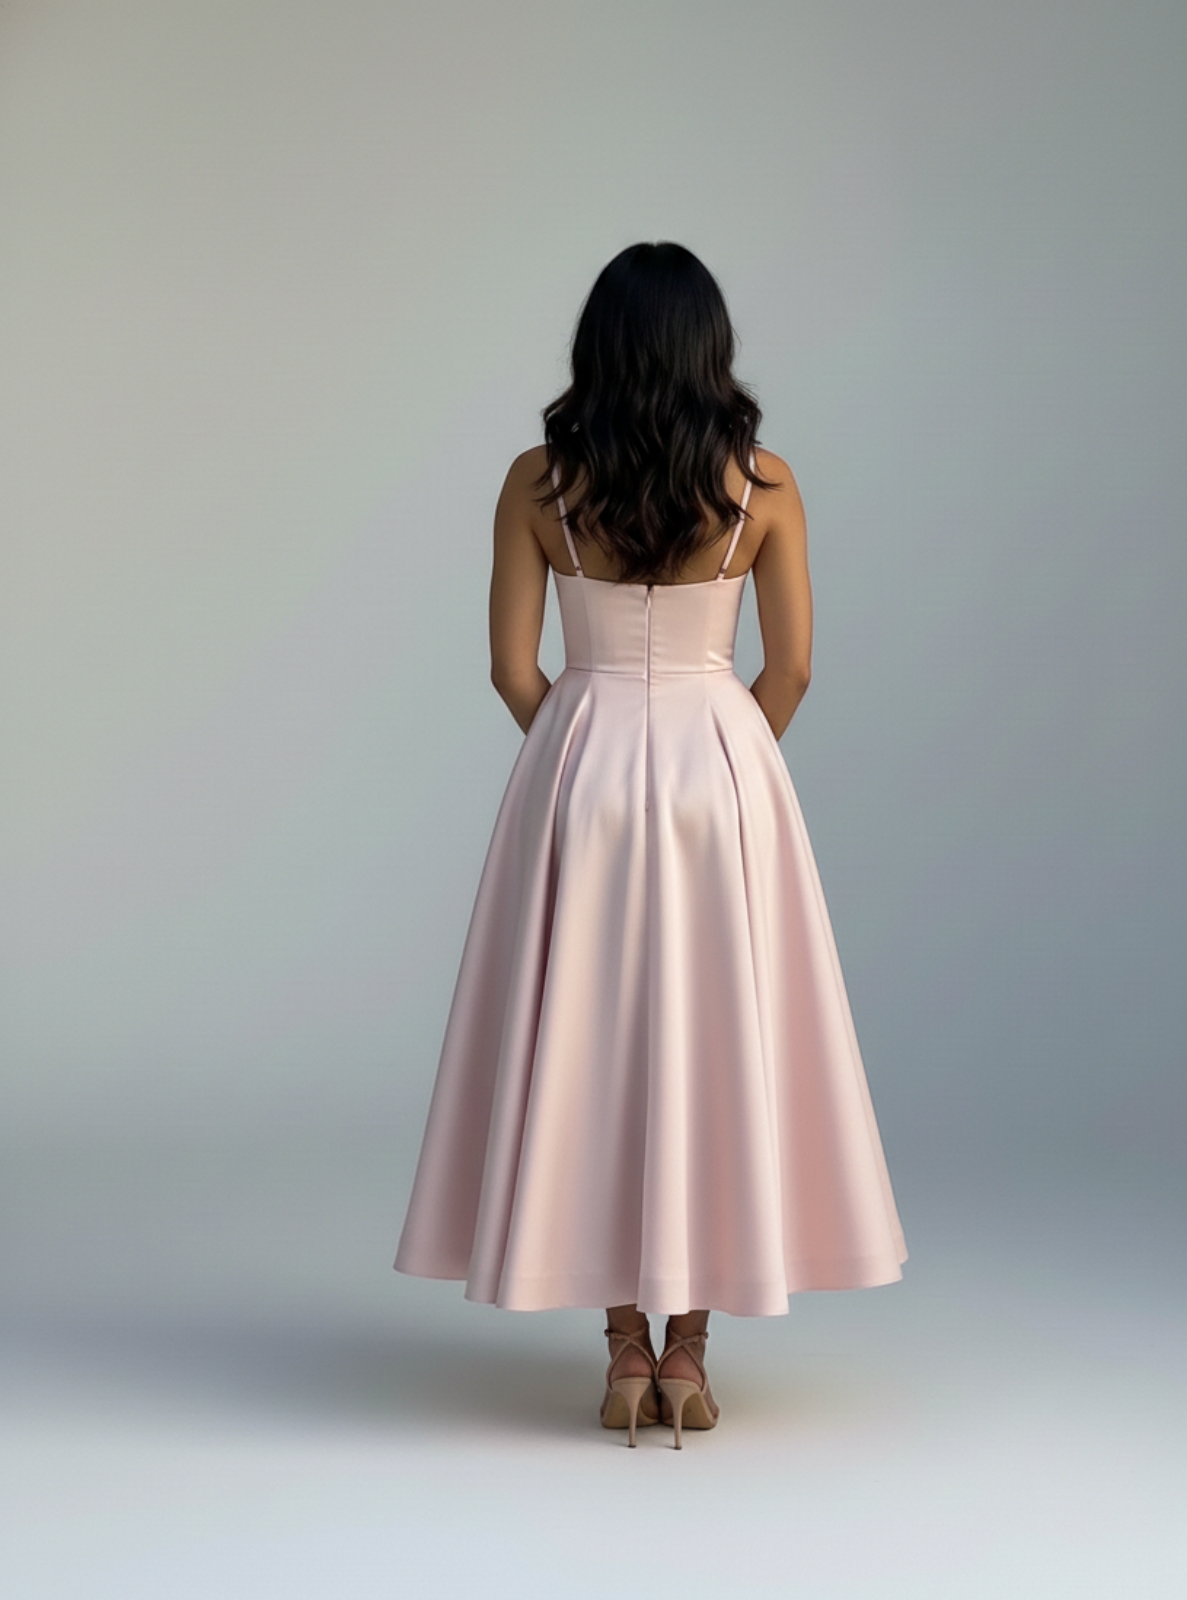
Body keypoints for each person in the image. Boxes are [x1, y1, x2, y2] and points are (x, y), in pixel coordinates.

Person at [395, 242, 907, 1448]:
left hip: (579, 778)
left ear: (599, 349)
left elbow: (507, 667)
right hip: (717, 776)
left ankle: (623, 1346)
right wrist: (728, 761)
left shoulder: (536, 482)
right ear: (707, 352)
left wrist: (573, 755)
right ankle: (689, 1351)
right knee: (709, 1041)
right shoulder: (763, 489)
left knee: (599, 1041)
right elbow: (791, 667)